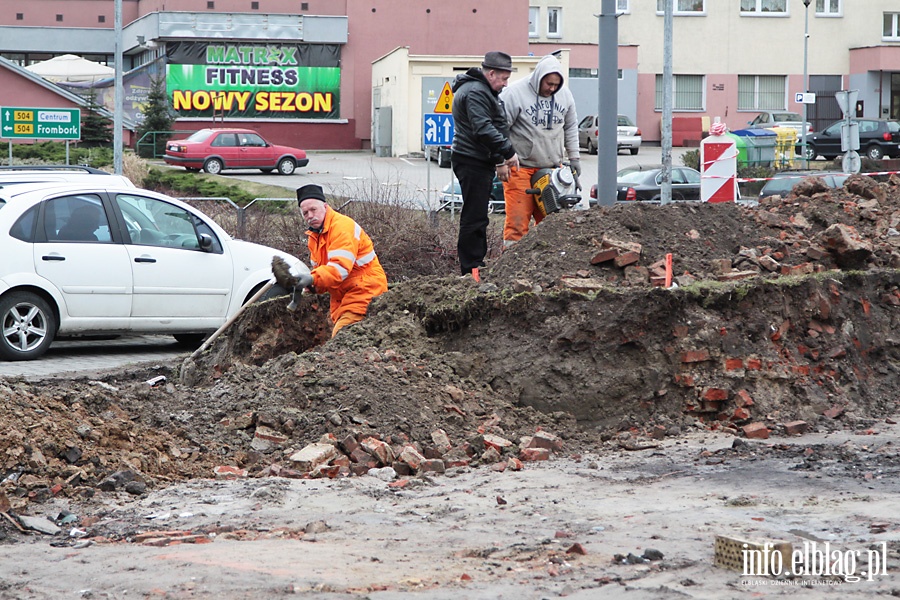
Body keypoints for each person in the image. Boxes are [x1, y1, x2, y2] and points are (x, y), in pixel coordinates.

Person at [450, 51, 519, 279]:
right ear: (491, 73)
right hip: (472, 160)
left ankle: (474, 265)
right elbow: (483, 130)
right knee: (475, 215)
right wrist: (507, 152)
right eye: (503, 78)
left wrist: (498, 159)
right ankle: (472, 268)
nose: (505, 84)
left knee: (477, 214)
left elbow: (485, 130)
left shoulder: (479, 90)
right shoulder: (477, 92)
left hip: (476, 159)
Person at [500, 53, 581, 246]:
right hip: (520, 167)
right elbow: (500, 130)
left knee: (551, 224)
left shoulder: (565, 95)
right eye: (548, 84)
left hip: (552, 169)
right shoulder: (514, 94)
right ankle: (512, 265)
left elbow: (570, 127)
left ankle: (547, 266)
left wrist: (574, 158)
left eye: (556, 85)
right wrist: (501, 160)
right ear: (539, 78)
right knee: (518, 223)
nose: (552, 88)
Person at [293, 184, 388, 337]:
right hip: (343, 298)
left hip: (364, 290)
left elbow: (339, 269)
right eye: (305, 213)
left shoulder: (342, 227)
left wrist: (312, 278)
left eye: (313, 210)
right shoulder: (314, 238)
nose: (310, 215)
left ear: (325, 206)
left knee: (342, 338)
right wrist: (313, 286)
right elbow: (327, 276)